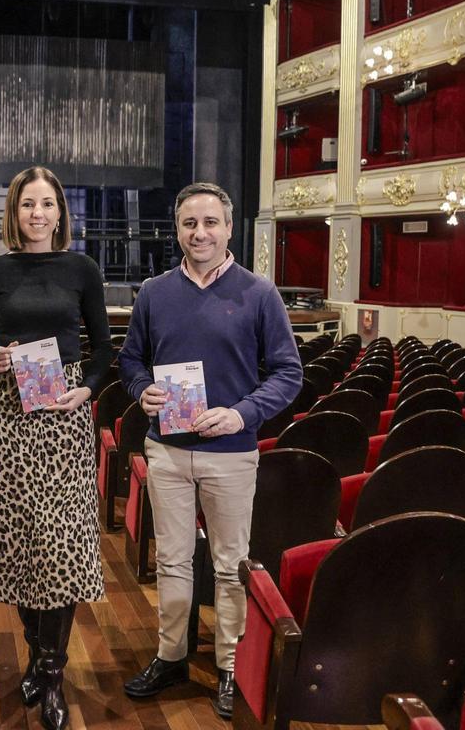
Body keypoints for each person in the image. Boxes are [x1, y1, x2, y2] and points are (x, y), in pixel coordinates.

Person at [117, 182, 303, 719]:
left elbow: (289, 373)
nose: (199, 233)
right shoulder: (154, 292)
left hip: (232, 452)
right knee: (172, 561)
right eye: (189, 224)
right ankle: (171, 655)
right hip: (167, 450)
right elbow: (131, 361)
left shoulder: (259, 293)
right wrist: (140, 389)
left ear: (228, 227)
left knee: (228, 565)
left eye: (210, 223)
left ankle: (229, 666)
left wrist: (242, 413)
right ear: (177, 229)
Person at [0, 166, 113, 730]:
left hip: (64, 416)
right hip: (9, 414)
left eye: (47, 204)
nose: (37, 214)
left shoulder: (82, 269)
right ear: (14, 212)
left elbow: (103, 347)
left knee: (59, 541)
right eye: (28, 205)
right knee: (22, 541)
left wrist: (87, 391)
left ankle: (51, 672)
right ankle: (36, 651)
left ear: (60, 212)